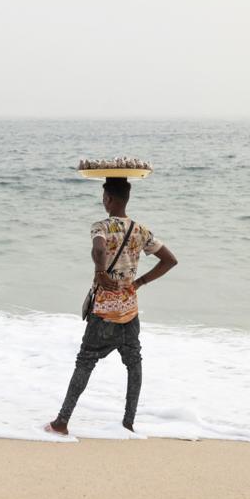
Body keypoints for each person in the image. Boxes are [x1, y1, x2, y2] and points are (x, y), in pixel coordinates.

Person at [46, 177, 177, 435]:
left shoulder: (101, 227)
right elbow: (169, 260)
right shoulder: (141, 231)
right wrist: (139, 282)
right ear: (126, 198)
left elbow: (98, 248)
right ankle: (128, 423)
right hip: (129, 311)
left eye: (103, 196)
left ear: (109, 199)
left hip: (104, 312)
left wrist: (101, 272)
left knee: (85, 363)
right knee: (134, 363)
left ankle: (62, 422)